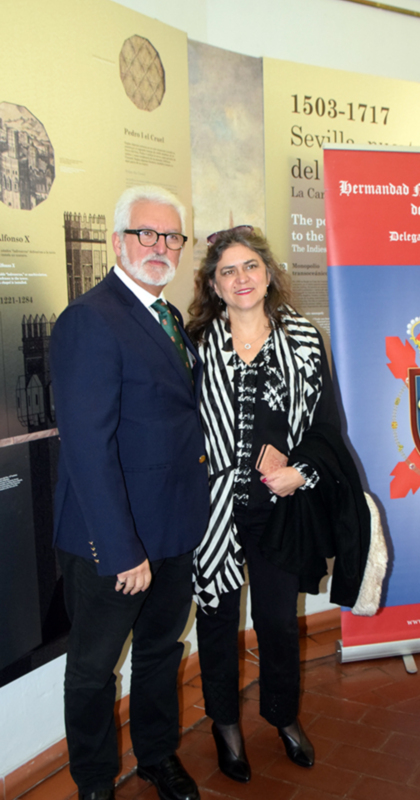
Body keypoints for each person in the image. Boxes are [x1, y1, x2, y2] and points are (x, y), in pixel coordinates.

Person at [186, 226, 379, 784]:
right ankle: (224, 724)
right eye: (228, 271)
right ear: (214, 284)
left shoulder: (303, 340)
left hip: (279, 507)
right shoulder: (195, 344)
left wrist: (300, 470)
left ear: (268, 274)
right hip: (213, 508)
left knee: (276, 621)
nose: (241, 278)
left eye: (250, 267)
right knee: (218, 620)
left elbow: (326, 427)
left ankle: (282, 716)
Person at [50, 186, 210, 800]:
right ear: (118, 241)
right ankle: (94, 782)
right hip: (111, 542)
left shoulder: (168, 318)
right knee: (92, 670)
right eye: (147, 234)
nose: (160, 247)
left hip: (173, 530)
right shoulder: (91, 318)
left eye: (172, 237)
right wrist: (120, 550)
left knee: (161, 652)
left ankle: (156, 757)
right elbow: (88, 449)